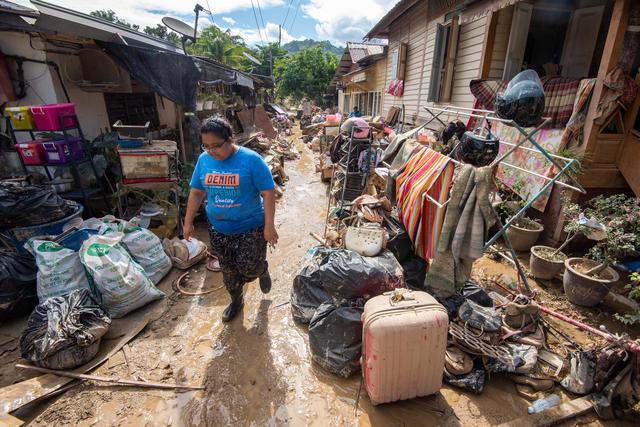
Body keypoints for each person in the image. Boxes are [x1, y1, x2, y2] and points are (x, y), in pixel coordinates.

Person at [183, 116, 278, 322]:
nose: (211, 151)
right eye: (206, 146)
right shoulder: (204, 160)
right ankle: (236, 301)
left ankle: (261, 269)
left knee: (248, 267)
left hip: (250, 226)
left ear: (230, 139)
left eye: (216, 145)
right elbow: (197, 192)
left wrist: (269, 227)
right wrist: (188, 222)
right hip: (219, 228)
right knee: (228, 270)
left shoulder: (251, 160)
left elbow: (268, 192)